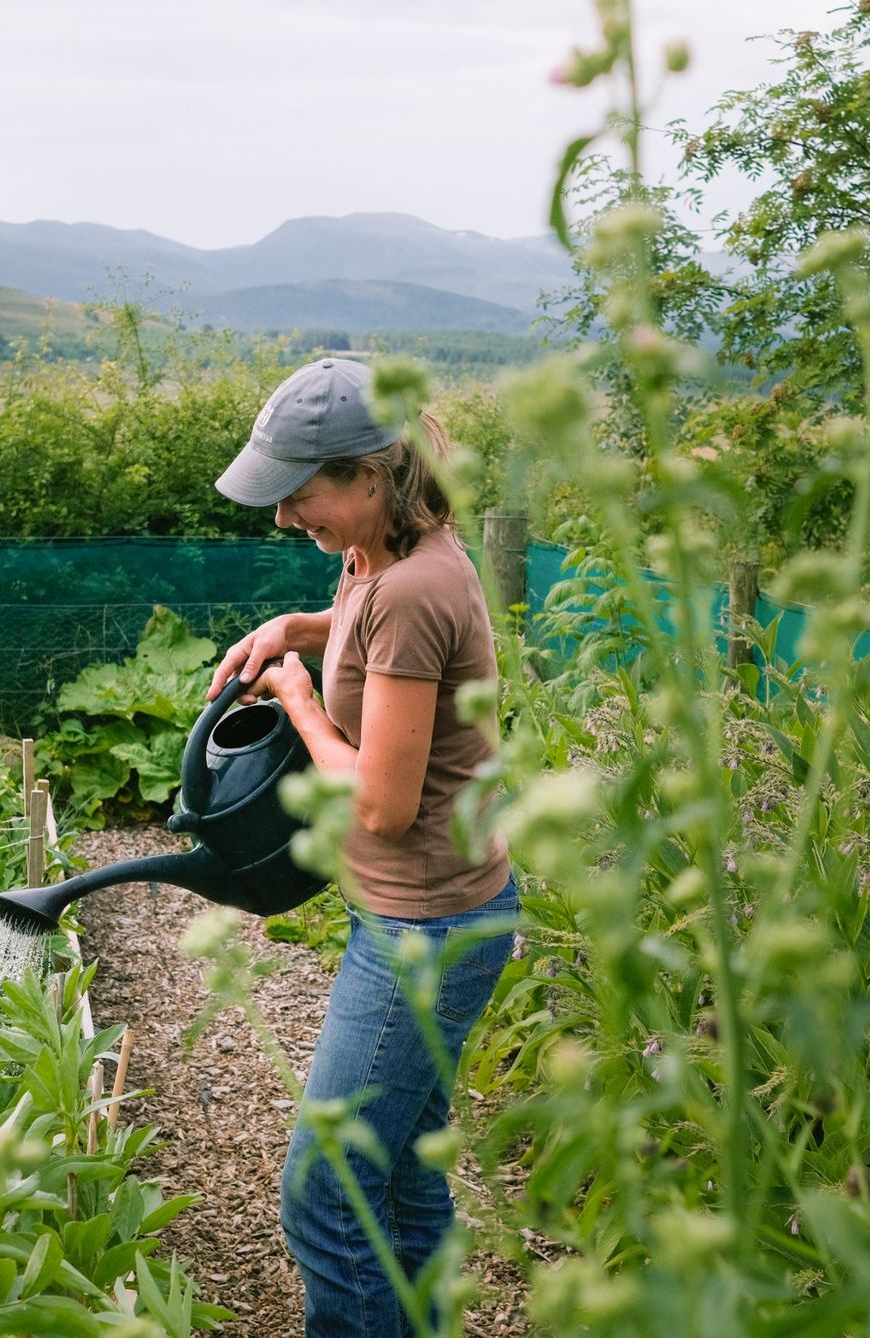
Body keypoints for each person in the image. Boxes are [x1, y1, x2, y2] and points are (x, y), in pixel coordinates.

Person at [207, 358, 516, 1336]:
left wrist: (296, 698)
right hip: (424, 910)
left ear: (369, 475)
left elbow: (379, 806)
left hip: (424, 928)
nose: (283, 517)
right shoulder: (383, 556)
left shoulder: (414, 585)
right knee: (400, 1183)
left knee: (326, 1191)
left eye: (299, 494)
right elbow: (365, 629)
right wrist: (295, 628)